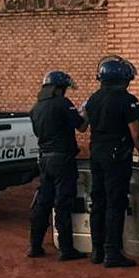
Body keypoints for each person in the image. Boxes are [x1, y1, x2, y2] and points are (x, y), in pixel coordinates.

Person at [84, 55, 139, 268]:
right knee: (115, 202)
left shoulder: (93, 98)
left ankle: (97, 250)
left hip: (97, 153)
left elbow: (84, 125)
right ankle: (112, 252)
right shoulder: (125, 99)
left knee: (98, 200)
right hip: (116, 155)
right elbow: (136, 133)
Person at [28, 70, 86, 261]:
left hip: (44, 159)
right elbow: (81, 126)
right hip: (62, 159)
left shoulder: (36, 108)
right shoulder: (63, 104)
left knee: (43, 202)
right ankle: (66, 249)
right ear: (59, 89)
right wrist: (85, 112)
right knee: (63, 203)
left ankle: (35, 245)